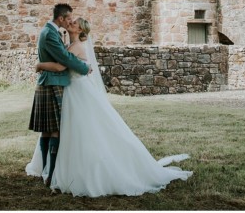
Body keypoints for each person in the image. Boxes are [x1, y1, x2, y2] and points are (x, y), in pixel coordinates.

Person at [25, 17, 192, 197]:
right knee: (68, 128)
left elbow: (63, 66)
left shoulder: (77, 47)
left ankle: (76, 169)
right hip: (70, 90)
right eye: (71, 21)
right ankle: (55, 167)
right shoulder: (70, 44)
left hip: (78, 91)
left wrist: (40, 65)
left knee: (81, 129)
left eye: (75, 23)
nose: (71, 23)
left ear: (80, 30)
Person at [28, 3, 91, 188]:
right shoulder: (50, 34)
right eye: (69, 18)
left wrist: (40, 66)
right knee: (52, 129)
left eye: (73, 20)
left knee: (50, 129)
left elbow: (63, 59)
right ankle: (49, 172)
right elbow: (64, 61)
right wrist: (85, 68)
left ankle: (48, 171)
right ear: (61, 19)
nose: (71, 21)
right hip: (53, 83)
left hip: (55, 83)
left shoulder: (54, 33)